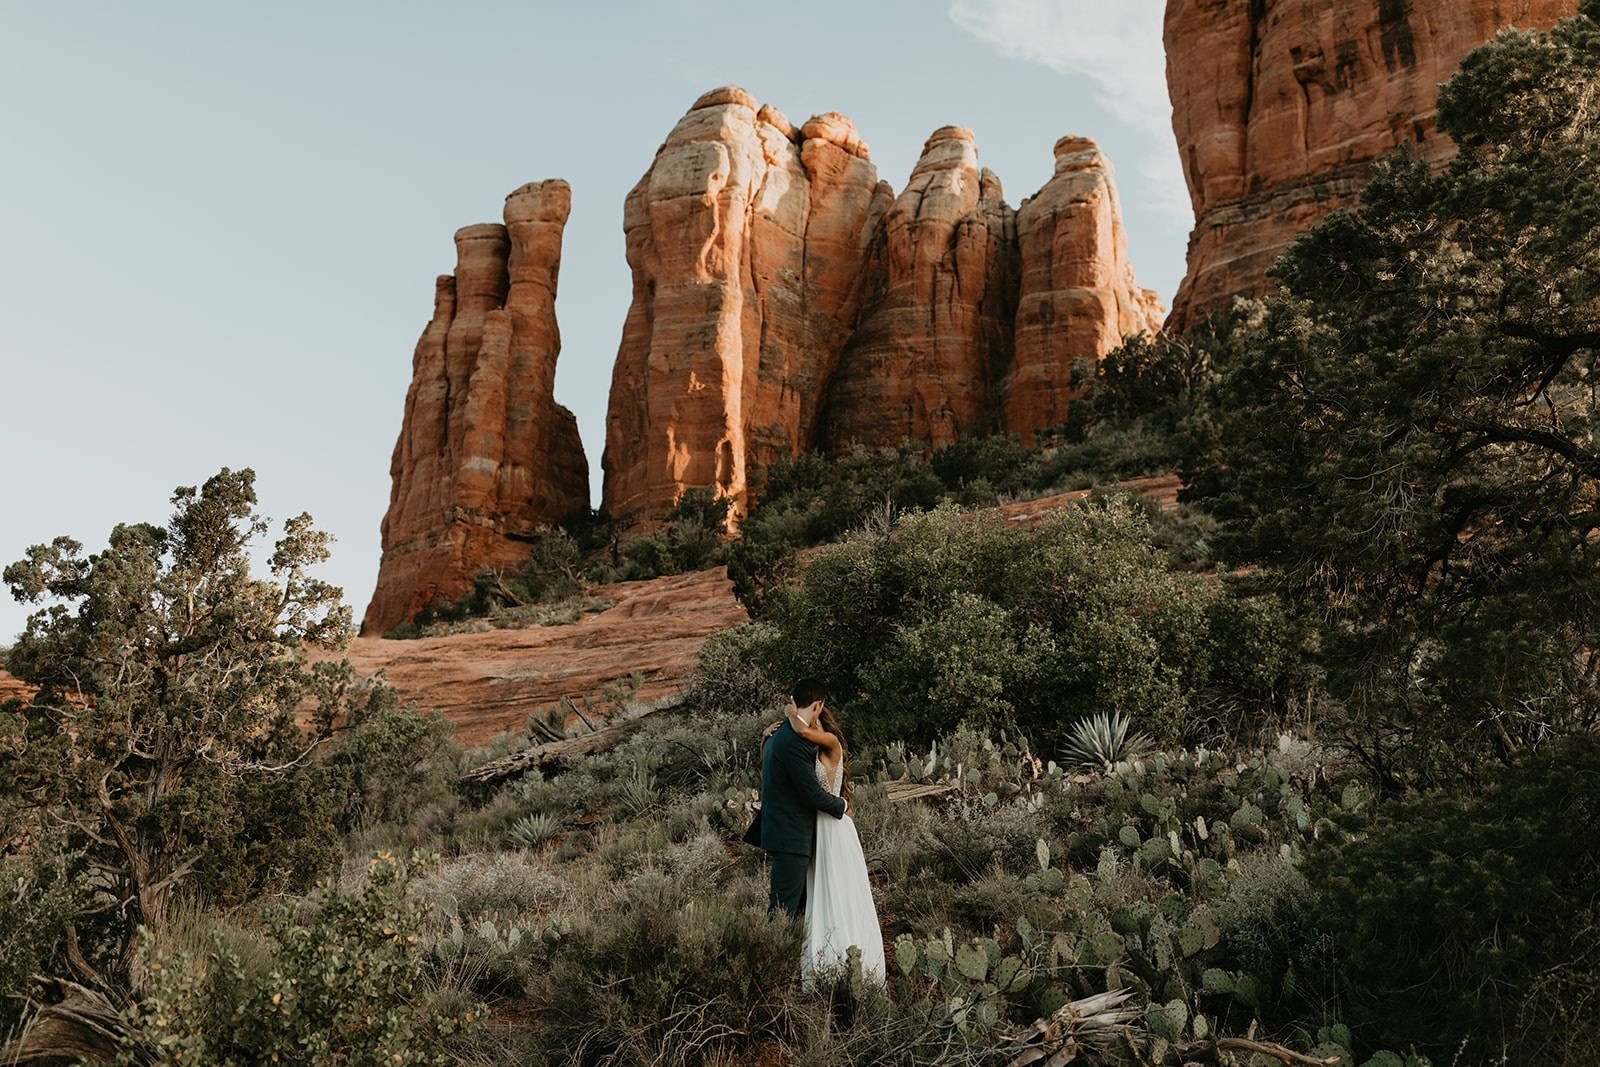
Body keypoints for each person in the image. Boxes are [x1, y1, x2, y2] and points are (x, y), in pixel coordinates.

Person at [785, 682, 887, 985]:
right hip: (818, 825)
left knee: (841, 891)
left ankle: (852, 965)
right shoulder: (811, 749)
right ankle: (826, 964)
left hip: (834, 825)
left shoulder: (829, 740)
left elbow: (801, 731)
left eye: (810, 712)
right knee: (823, 892)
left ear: (817, 710)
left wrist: (793, 712)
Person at [758, 678, 847, 920]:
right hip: (793, 837)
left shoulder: (776, 735)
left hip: (801, 834)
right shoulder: (793, 742)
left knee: (804, 908)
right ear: (818, 705)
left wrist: (788, 714)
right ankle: (777, 955)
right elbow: (810, 794)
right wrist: (843, 806)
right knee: (784, 911)